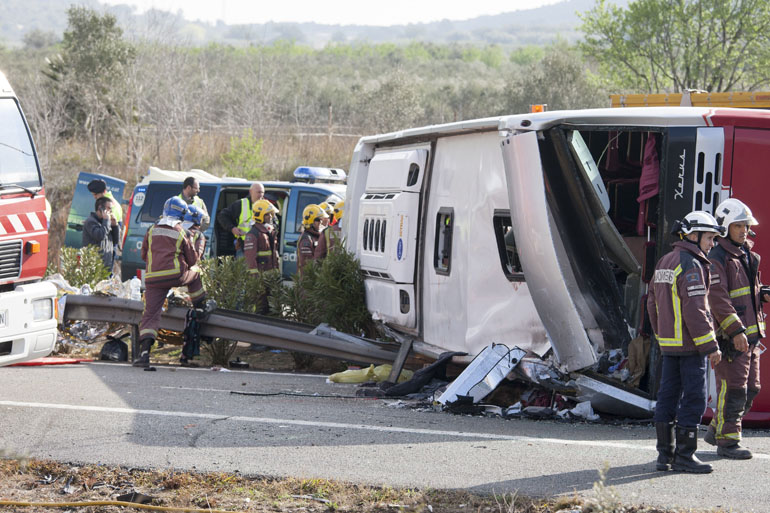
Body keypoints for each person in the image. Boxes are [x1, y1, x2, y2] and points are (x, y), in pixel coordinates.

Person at [647, 210, 723, 473]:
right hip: (692, 347)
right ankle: (685, 456)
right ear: (693, 235)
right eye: (710, 238)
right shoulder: (691, 264)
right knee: (695, 399)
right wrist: (711, 346)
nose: (712, 244)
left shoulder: (664, 261)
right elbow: (696, 310)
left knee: (667, 397)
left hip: (669, 346)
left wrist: (662, 335)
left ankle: (663, 456)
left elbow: (651, 304)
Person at [705, 198, 769, 459]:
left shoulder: (746, 256)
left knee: (751, 388)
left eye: (746, 225)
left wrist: (763, 294)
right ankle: (728, 441)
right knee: (733, 388)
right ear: (725, 227)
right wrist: (736, 332)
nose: (744, 230)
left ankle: (715, 430)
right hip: (732, 338)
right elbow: (718, 299)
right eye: (738, 225)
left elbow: (746, 295)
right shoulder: (717, 258)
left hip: (751, 337)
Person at [134, 197, 214, 368]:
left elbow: (143, 254)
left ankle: (144, 354)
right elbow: (193, 260)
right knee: (196, 273)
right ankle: (200, 307)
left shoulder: (151, 229)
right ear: (182, 214)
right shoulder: (181, 232)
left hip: (153, 279)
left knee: (150, 314)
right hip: (176, 276)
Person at [244, 199, 280, 314]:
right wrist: (255, 279)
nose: (271, 217)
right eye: (268, 214)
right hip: (260, 278)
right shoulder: (253, 234)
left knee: (272, 306)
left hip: (270, 276)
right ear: (260, 216)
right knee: (261, 306)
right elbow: (250, 260)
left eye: (271, 214)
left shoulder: (269, 231)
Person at [216, 182, 265, 258]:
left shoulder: (267, 205)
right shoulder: (241, 204)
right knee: (243, 269)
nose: (261, 195)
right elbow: (222, 216)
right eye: (258, 192)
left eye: (262, 192)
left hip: (262, 246)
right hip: (244, 246)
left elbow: (275, 222)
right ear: (251, 192)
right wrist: (232, 228)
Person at [81, 196, 119, 273]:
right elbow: (99, 236)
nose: (110, 211)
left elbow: (115, 241)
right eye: (108, 208)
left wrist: (115, 226)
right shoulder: (91, 222)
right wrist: (106, 221)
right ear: (100, 208)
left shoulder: (106, 223)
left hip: (106, 267)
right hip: (94, 267)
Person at [297, 204, 327, 274]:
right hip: (308, 280)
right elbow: (308, 264)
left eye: (321, 220)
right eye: (318, 220)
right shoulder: (306, 239)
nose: (321, 222)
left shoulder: (316, 236)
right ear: (310, 221)